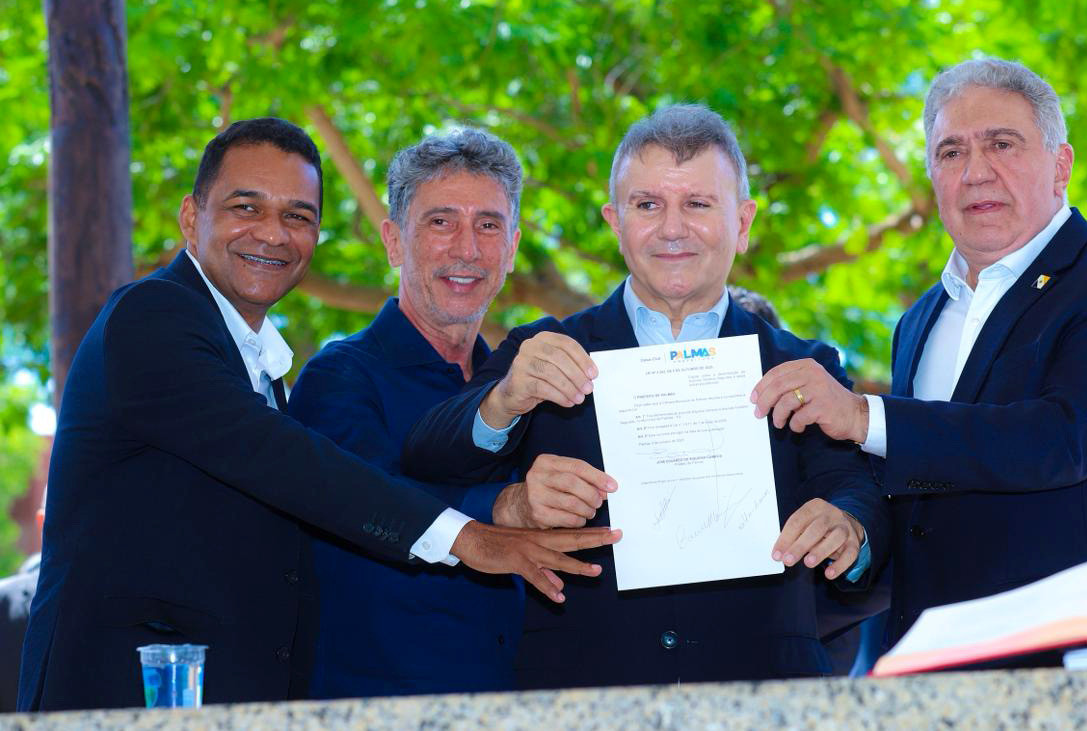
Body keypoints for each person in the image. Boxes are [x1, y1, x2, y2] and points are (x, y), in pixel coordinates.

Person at [19, 118, 617, 711]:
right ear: (191, 218)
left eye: (298, 216)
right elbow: (295, 466)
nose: (272, 234)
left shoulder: (262, 369)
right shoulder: (153, 315)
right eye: (246, 208)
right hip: (131, 694)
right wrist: (477, 532)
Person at [403, 104, 888, 689]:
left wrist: (850, 526)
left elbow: (857, 489)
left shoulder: (803, 366)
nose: (672, 229)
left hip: (762, 691)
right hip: (582, 693)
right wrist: (503, 400)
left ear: (743, 222)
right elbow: (425, 457)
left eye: (698, 204)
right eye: (648, 205)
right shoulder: (543, 351)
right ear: (616, 221)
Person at [751, 58, 1087, 651]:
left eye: (1002, 144)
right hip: (928, 663)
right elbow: (921, 495)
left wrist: (863, 416)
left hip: (1081, 665)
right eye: (951, 152)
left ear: (1061, 165)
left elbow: (1062, 441)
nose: (976, 172)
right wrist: (854, 529)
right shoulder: (918, 320)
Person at [289, 128, 531, 696]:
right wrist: (506, 507)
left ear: (512, 248)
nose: (467, 249)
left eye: (488, 225)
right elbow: (375, 506)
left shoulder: (527, 391)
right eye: (441, 222)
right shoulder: (338, 379)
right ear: (394, 242)